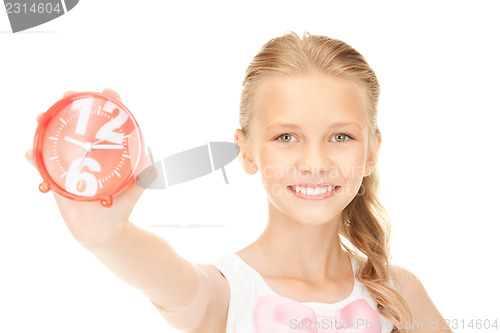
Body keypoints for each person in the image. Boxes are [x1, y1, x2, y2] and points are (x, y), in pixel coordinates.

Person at [25, 31, 451, 333]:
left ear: (371, 151)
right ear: (247, 152)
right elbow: (165, 276)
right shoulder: (223, 295)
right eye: (286, 137)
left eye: (340, 136)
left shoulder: (399, 293)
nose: (315, 162)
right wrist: (105, 236)